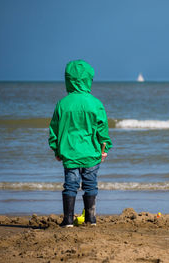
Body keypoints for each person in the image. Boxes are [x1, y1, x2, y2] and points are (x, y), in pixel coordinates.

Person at [48, 60, 112, 227]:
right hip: (92, 153)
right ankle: (91, 219)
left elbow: (54, 129)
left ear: (68, 80)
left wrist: (56, 149)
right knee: (90, 184)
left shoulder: (62, 104)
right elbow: (102, 129)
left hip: (70, 153)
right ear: (88, 80)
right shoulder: (95, 103)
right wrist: (105, 148)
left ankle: (68, 219)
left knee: (70, 185)